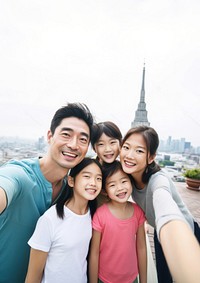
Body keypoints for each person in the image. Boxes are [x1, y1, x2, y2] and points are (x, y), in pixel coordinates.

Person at [0, 102, 94, 283]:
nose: (74, 145)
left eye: (83, 139)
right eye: (66, 135)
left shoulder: (72, 189)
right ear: (50, 136)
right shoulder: (20, 176)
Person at [120, 125, 200, 283]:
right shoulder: (126, 175)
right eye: (126, 147)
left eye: (139, 151)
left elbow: (164, 204)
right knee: (163, 278)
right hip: (158, 231)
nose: (129, 155)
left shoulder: (158, 180)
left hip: (184, 232)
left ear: (151, 158)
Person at [25, 157, 102, 283]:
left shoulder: (93, 216)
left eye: (98, 178)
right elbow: (33, 276)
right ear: (71, 181)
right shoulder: (50, 219)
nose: (93, 183)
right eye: (87, 176)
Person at [89, 160, 147, 283]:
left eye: (124, 181)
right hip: (104, 279)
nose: (120, 188)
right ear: (104, 191)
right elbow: (94, 253)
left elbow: (141, 248)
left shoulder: (138, 212)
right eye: (112, 185)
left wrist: (144, 280)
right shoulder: (100, 215)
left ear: (131, 182)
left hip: (132, 278)